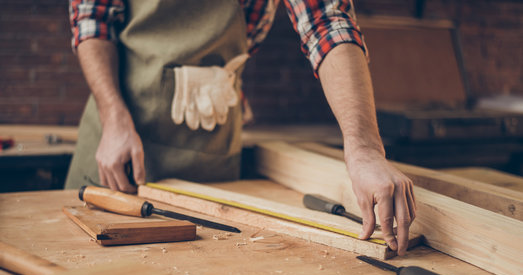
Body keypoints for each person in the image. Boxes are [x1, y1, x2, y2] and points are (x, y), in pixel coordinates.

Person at [65, 0, 416, 255]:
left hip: (211, 145)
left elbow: (327, 22)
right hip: (118, 141)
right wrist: (112, 114)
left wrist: (365, 149)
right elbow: (91, 18)